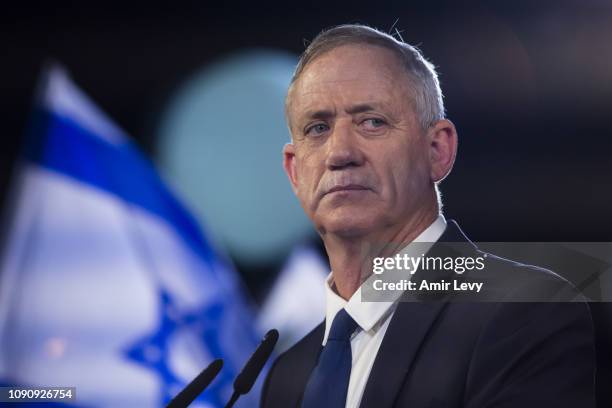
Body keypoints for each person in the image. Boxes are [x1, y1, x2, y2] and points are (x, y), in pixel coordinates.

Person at [260, 24, 595, 408]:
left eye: (372, 122)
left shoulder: (523, 311)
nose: (339, 153)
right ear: (295, 172)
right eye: (318, 128)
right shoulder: (288, 375)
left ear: (437, 150)